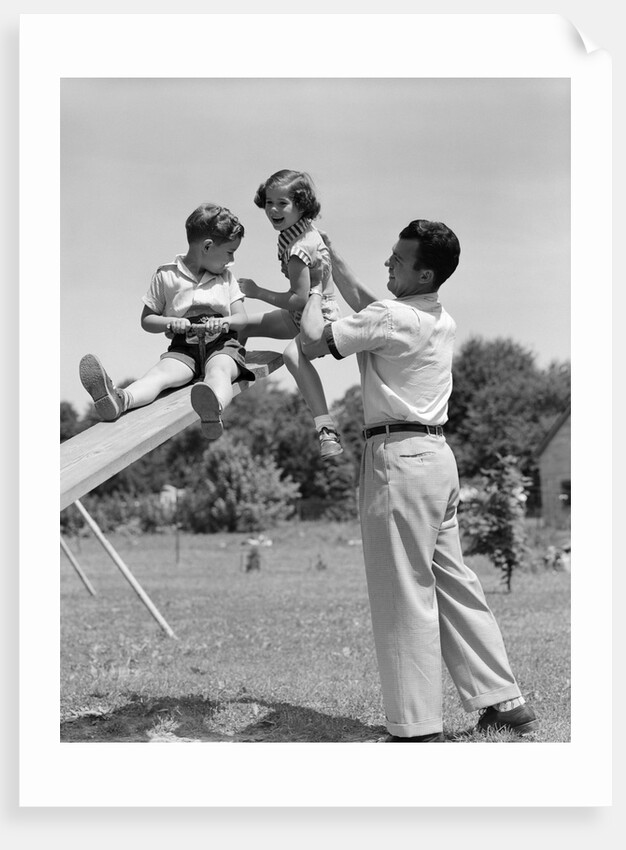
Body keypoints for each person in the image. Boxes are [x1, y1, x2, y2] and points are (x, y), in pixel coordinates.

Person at [300, 219, 538, 742]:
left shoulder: (390, 317)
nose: (388, 263)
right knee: (454, 583)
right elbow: (373, 309)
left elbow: (315, 342)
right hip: (436, 459)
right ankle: (503, 701)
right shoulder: (434, 316)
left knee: (402, 592)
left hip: (398, 460)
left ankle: (415, 727)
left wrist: (314, 283)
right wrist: (333, 256)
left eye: (398, 261)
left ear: (424, 272)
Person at [79, 203, 255, 440]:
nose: (231, 260)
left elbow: (242, 319)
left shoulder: (226, 278)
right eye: (229, 252)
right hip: (184, 348)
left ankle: (214, 409)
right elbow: (147, 320)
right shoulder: (166, 275)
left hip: (222, 345)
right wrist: (171, 322)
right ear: (207, 246)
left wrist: (225, 323)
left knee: (220, 372)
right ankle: (119, 400)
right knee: (159, 375)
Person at [229, 170, 343, 460]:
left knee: (293, 356)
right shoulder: (296, 231)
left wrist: (257, 291)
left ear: (302, 205)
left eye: (282, 203)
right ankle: (223, 384)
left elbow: (298, 299)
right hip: (298, 314)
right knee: (241, 326)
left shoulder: (298, 248)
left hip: (319, 317)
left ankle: (326, 430)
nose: (273, 210)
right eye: (269, 202)